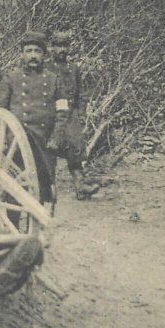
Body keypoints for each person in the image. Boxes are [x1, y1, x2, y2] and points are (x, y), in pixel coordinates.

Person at [0, 30, 68, 208]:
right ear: (22, 54)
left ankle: (36, 230)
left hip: (44, 144)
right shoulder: (11, 78)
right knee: (15, 190)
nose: (33, 56)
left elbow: (63, 111)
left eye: (37, 51)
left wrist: (57, 137)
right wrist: (3, 139)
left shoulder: (54, 80)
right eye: (29, 51)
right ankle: (14, 230)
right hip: (17, 144)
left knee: (42, 192)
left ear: (44, 55)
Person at [48, 29, 100, 200]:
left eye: (65, 46)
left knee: (75, 148)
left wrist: (80, 112)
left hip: (70, 114)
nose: (62, 50)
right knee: (50, 149)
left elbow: (81, 94)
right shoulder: (46, 67)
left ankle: (80, 186)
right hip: (51, 114)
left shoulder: (74, 68)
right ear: (52, 47)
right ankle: (49, 188)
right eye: (58, 46)